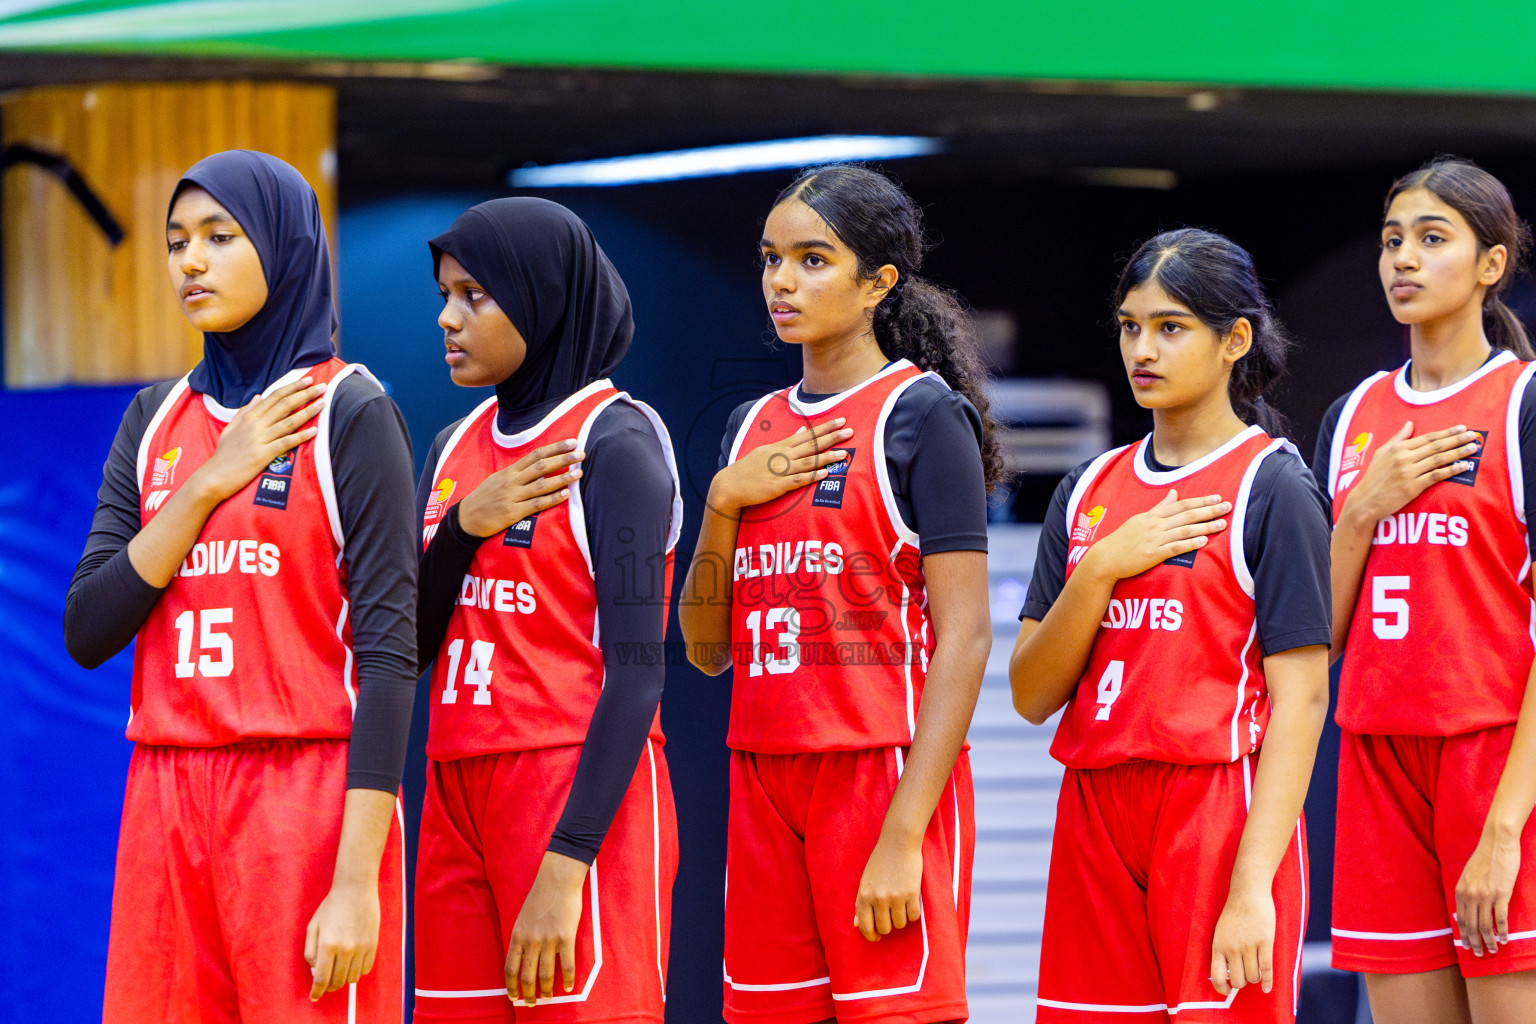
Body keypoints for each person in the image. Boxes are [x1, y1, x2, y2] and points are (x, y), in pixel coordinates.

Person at [63, 150, 417, 1023]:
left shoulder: (350, 412)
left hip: (303, 797)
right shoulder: (154, 422)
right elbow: (88, 626)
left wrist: (357, 882)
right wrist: (207, 482)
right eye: (177, 241)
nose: (190, 261)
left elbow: (390, 658)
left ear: (284, 246)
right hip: (165, 792)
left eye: (220, 238)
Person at [679, 164, 995, 1024]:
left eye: (813, 260)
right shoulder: (750, 428)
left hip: (879, 773)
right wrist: (721, 501)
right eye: (772, 259)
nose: (782, 280)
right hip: (763, 776)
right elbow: (706, 651)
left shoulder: (922, 417)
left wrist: (903, 836)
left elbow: (966, 641)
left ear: (877, 283)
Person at [1011, 228, 1331, 1022]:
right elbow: (1030, 691)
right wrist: (1101, 567)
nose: (1142, 348)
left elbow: (1303, 703)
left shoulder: (1273, 486)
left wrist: (1253, 883)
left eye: (1170, 327)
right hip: (1094, 806)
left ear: (1235, 341)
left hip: (1213, 807)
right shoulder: (1086, 490)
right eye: (1130, 326)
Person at [411, 198, 681, 1022]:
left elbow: (639, 678)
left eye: (474, 297)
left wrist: (568, 864)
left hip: (571, 789)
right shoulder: (453, 448)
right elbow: (409, 644)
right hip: (455, 786)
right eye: (445, 295)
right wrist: (461, 528)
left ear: (539, 298)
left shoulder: (616, 443)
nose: (447, 319)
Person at [1320, 156, 1536, 1024]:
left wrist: (1504, 830)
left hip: (1494, 761)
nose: (1403, 259)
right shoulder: (1352, 417)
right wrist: (1364, 510)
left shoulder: (1521, 406)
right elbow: (1317, 635)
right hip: (1376, 760)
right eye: (1392, 240)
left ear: (1490, 265)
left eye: (1431, 240)